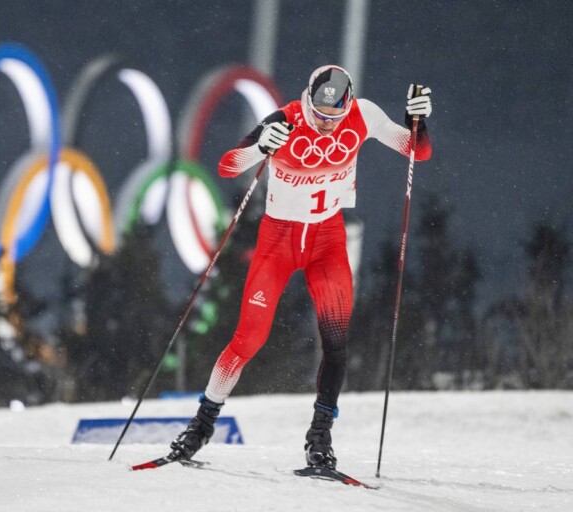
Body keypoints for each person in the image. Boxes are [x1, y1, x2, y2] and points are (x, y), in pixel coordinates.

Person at [168, 65, 433, 469]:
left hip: (328, 241)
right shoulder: (284, 119)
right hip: (279, 243)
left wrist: (418, 121)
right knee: (247, 340)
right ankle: (200, 428)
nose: (326, 125)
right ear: (307, 99)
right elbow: (227, 166)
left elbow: (417, 150)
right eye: (319, 115)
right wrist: (260, 147)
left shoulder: (363, 114)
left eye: (334, 117)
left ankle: (319, 438)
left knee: (336, 342)